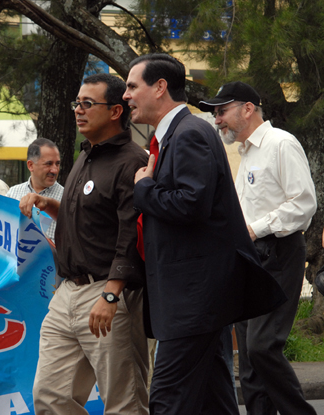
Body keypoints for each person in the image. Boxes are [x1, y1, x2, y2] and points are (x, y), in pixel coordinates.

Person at [126, 53, 286, 415]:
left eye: (133, 86)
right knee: (215, 400)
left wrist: (144, 188)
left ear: (160, 87)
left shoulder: (188, 133)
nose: (126, 95)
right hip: (197, 300)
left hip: (193, 301)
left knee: (166, 399)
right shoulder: (178, 135)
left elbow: (189, 204)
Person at [20, 73, 150, 414]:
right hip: (67, 293)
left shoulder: (131, 161)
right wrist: (51, 205)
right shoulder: (85, 156)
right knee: (50, 396)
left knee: (124, 403)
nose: (79, 110)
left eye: (88, 103)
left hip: (108, 293)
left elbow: (130, 233)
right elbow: (91, 217)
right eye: (77, 102)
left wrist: (111, 294)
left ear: (115, 112)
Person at [199, 81, 317, 415]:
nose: (217, 119)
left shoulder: (281, 143)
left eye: (222, 111)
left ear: (247, 109)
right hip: (248, 255)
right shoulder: (246, 151)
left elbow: (304, 204)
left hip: (278, 252)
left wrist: (254, 229)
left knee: (262, 346)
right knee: (249, 361)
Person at [6, 138, 63, 241]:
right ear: (30, 165)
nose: (55, 170)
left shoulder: (66, 197)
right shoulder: (13, 193)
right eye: (48, 164)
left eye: (57, 164)